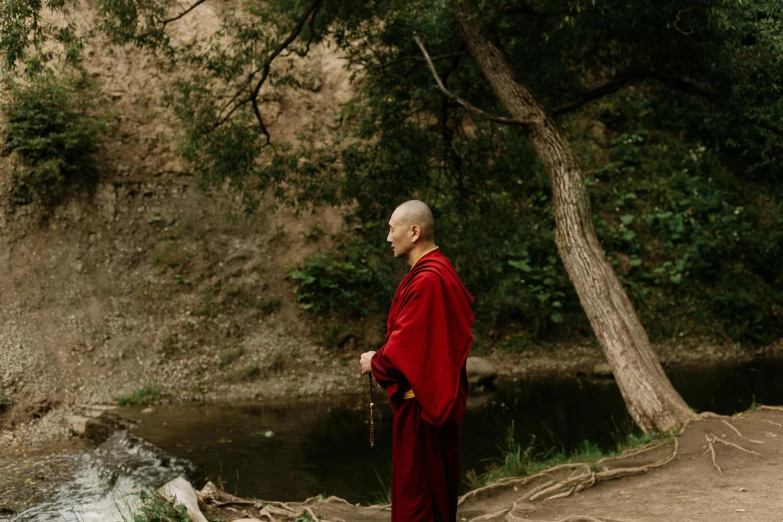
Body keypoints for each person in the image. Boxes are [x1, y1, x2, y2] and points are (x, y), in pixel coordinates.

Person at [360, 200, 474, 522]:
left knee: (420, 502)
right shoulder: (435, 272)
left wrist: (376, 362)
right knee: (429, 496)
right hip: (424, 409)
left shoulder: (429, 280)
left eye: (391, 229)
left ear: (414, 231)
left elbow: (407, 347)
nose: (388, 238)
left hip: (422, 413)